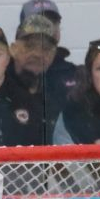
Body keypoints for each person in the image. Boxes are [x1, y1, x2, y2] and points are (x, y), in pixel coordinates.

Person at [8, 9, 80, 141]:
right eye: (30, 46)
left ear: (53, 54)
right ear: (13, 49)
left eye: (45, 48)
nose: (37, 54)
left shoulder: (60, 95)